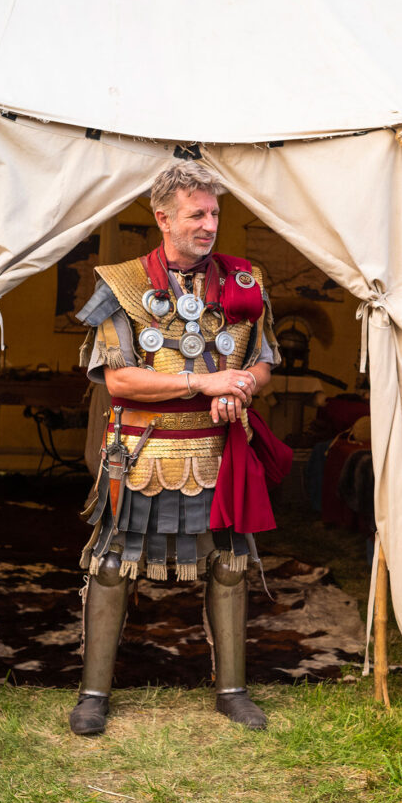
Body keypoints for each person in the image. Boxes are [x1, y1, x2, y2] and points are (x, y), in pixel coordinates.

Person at [68, 161, 284, 735]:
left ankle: (232, 690)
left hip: (218, 448)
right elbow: (117, 381)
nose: (209, 224)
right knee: (113, 567)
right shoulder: (121, 284)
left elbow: (264, 361)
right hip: (143, 453)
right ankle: (93, 695)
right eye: (197, 214)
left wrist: (240, 385)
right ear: (162, 219)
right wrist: (203, 382)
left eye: (214, 213)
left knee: (230, 565)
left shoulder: (245, 281)